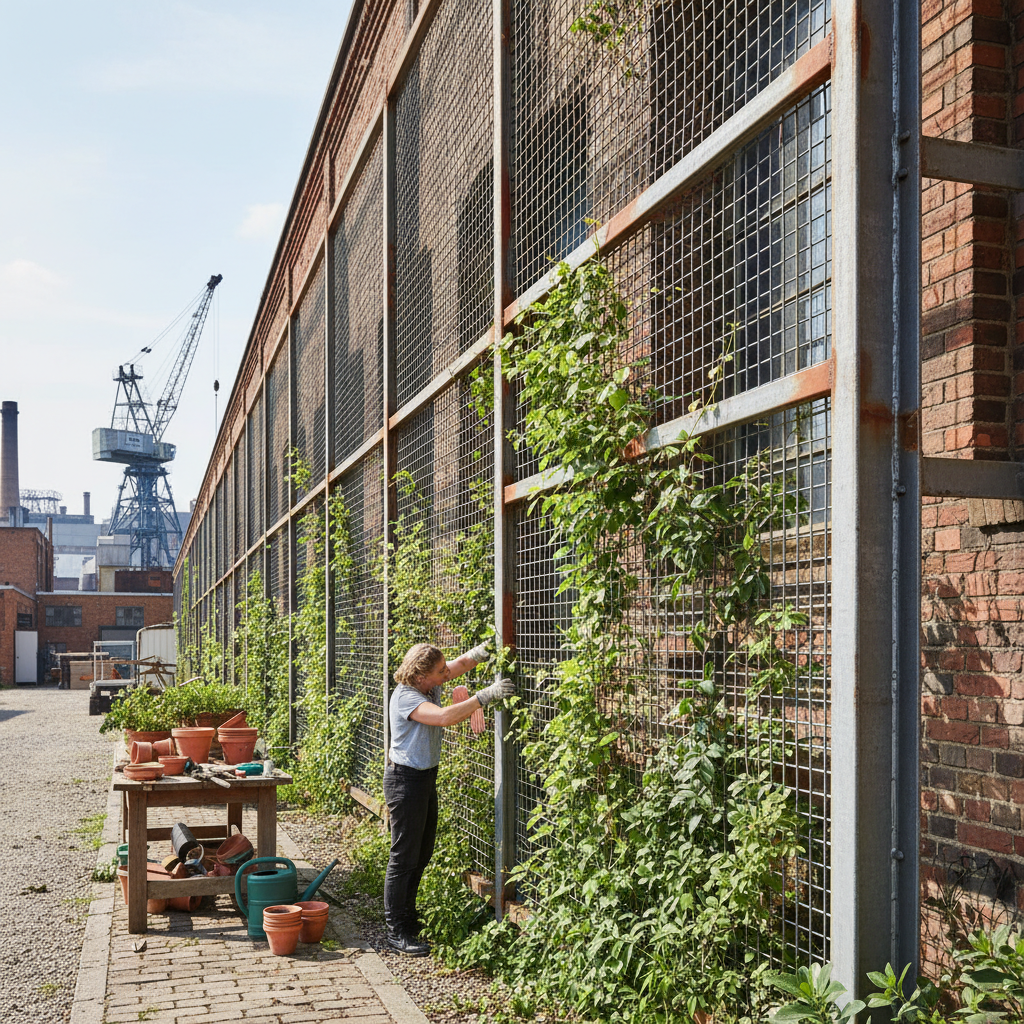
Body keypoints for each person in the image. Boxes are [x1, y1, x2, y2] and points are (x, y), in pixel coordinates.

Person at [383, 640, 514, 956]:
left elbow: (462, 663)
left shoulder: (429, 683)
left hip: (424, 779)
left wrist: (486, 648)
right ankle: (396, 929)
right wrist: (484, 697)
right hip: (405, 781)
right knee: (404, 857)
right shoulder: (405, 697)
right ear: (420, 675)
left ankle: (408, 917)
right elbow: (443, 717)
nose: (447, 674)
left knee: (422, 853)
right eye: (440, 671)